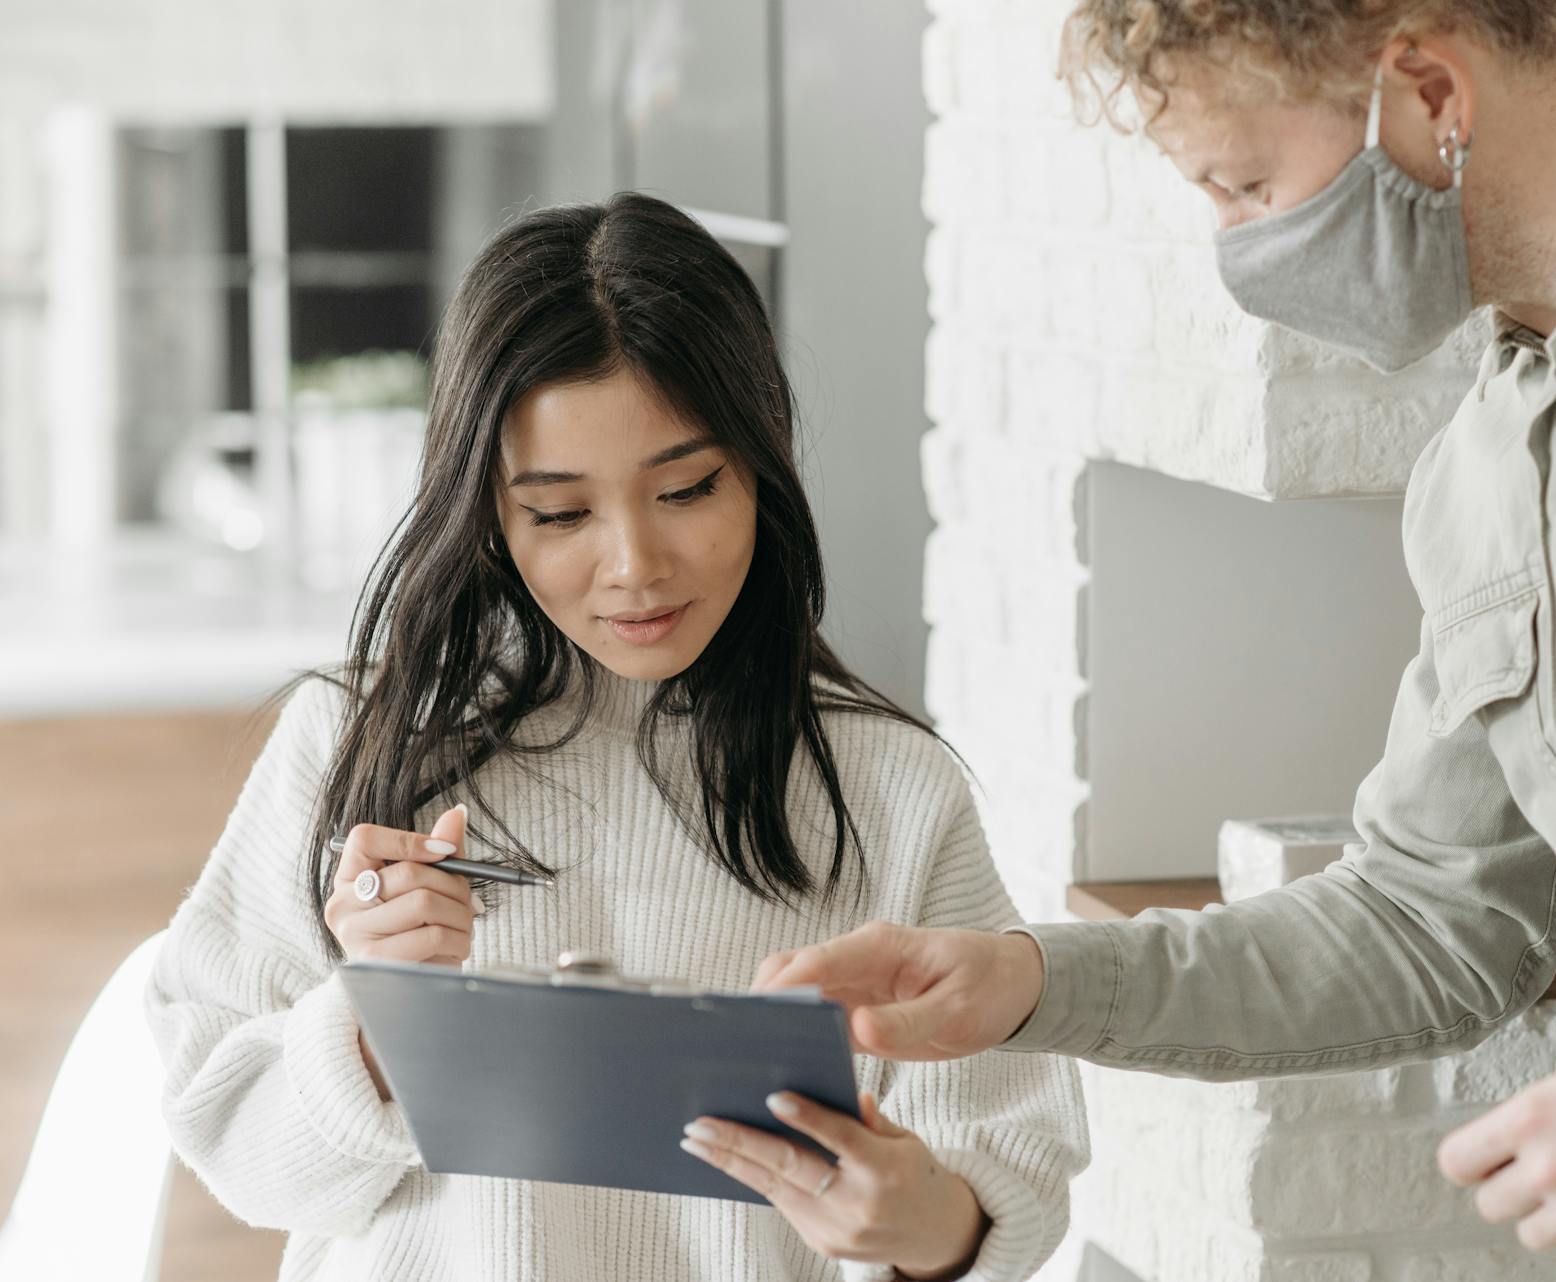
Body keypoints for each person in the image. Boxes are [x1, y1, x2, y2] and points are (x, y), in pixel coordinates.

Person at [753, 6, 1556, 1281]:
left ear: (1427, 88)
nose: (1241, 252)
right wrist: (1029, 983)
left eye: (1245, 186)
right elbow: (1426, 922)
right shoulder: (1485, 468)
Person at [147, 193, 1088, 1282]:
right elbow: (230, 1142)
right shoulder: (354, 742)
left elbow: (1010, 1173)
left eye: (687, 488)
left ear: (764, 465)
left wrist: (920, 1222)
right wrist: (369, 1022)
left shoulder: (893, 791)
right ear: (486, 512)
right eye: (559, 513)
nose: (635, 564)